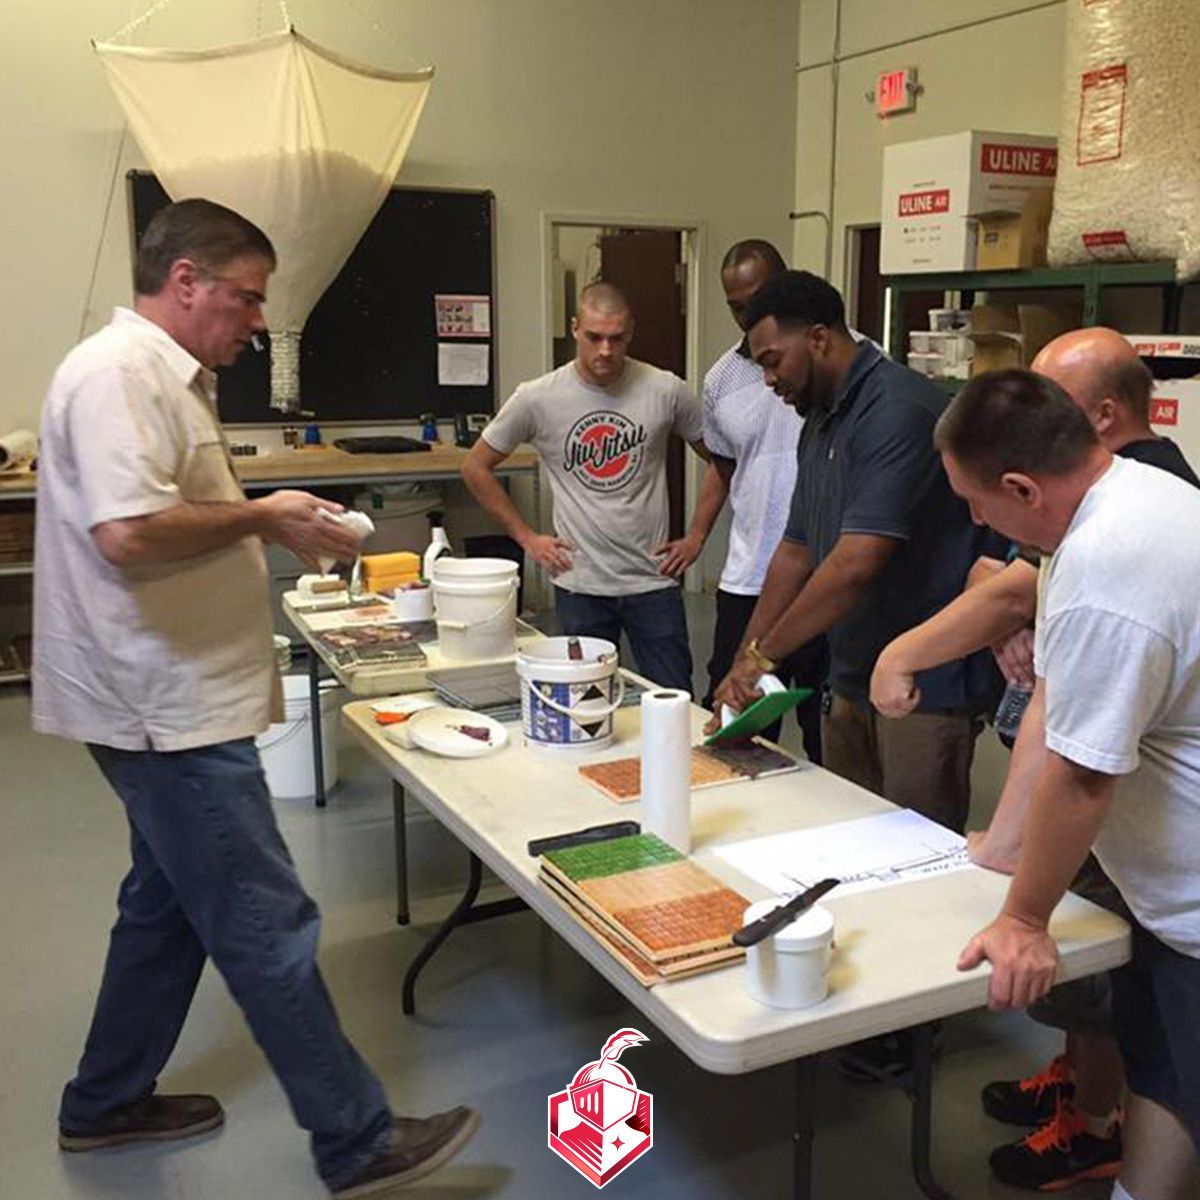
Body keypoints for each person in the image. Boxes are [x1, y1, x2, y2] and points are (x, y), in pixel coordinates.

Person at [32, 199, 477, 1196]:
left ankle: (104, 1104)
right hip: (164, 706)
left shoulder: (161, 376)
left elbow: (159, 515)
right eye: (247, 298)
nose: (258, 322)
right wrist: (264, 517)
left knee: (165, 907)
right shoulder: (120, 376)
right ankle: (356, 1140)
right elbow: (126, 533)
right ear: (185, 280)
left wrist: (265, 521)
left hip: (168, 693)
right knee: (262, 917)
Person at [871, 329, 1200, 1191]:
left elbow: (1083, 774)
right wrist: (1007, 845)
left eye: (978, 504)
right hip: (1171, 902)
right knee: (1165, 1075)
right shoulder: (1131, 495)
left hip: (1195, 899)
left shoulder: (1107, 566)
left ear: (1022, 486)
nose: (979, 524)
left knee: (1180, 1072)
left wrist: (1023, 919)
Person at [710, 270, 1001, 835]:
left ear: (819, 338)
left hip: (924, 686)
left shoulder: (897, 410)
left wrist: (762, 659)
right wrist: (745, 660)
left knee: (915, 851)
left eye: (773, 361)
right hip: (852, 671)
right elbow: (795, 551)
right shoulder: (818, 418)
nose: (768, 380)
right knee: (849, 834)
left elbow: (854, 564)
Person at [462, 281, 705, 692]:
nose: (605, 350)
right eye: (594, 337)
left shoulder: (665, 389)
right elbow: (475, 467)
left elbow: (722, 459)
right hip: (580, 583)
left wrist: (697, 536)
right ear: (575, 328)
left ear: (631, 333)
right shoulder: (537, 397)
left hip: (653, 581)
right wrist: (527, 538)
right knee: (585, 702)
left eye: (616, 338)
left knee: (673, 699)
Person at [660, 239, 824, 757]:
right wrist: (697, 535)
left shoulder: (834, 357)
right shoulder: (721, 378)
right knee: (735, 725)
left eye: (758, 298)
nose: (747, 314)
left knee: (826, 732)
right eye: (735, 306)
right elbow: (723, 465)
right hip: (750, 575)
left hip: (823, 576)